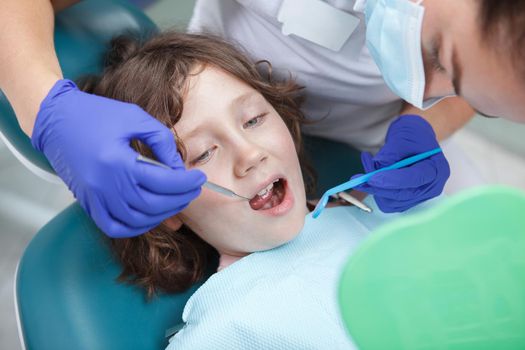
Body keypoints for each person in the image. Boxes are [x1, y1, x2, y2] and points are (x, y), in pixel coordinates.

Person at [1, 0, 523, 239]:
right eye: (437, 55)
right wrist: (47, 108)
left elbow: (472, 82)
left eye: (459, 87)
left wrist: (425, 126)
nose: (422, 92)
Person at [82, 30, 441, 349]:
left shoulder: (385, 213)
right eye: (204, 153)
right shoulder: (230, 329)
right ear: (166, 207)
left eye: (253, 119)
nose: (251, 154)